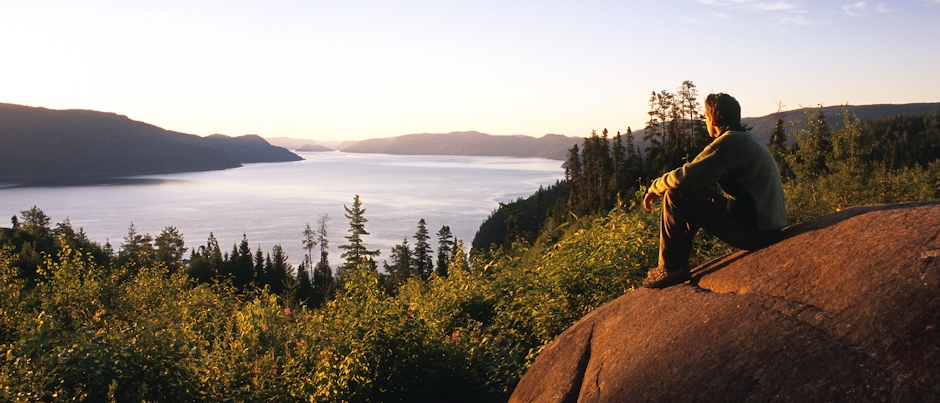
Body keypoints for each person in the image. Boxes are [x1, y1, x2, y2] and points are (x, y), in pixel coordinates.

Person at [641, 93, 787, 288]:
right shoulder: (746, 137)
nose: (705, 121)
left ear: (715, 119)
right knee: (691, 191)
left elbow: (684, 176)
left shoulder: (728, 143)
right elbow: (696, 180)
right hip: (769, 225)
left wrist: (654, 187)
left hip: (754, 231)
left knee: (675, 194)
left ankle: (672, 268)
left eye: (705, 117)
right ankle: (677, 262)